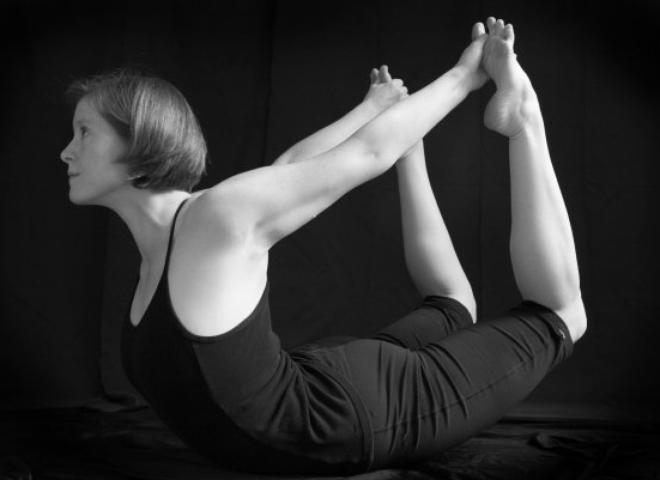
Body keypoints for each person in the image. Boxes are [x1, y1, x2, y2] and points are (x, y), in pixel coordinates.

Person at [60, 17, 587, 474]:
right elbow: (290, 167)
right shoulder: (175, 243)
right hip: (324, 381)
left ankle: (524, 119)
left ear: (140, 139)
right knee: (452, 307)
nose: (66, 151)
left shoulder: (211, 220)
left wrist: (464, 77)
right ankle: (414, 150)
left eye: (84, 132)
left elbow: (367, 153)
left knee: (562, 315)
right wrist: (371, 107)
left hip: (352, 419)